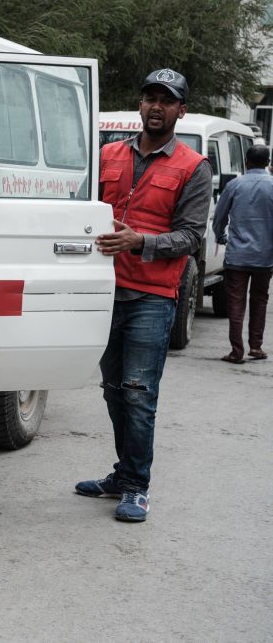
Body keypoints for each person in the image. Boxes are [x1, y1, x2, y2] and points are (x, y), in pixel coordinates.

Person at [76, 68, 212, 522]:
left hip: (152, 296)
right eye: (150, 98)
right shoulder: (108, 154)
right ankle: (122, 473)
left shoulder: (193, 167)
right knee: (113, 390)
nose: (156, 106)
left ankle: (137, 485)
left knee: (138, 391)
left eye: (166, 100)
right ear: (141, 105)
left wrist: (141, 242)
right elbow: (81, 211)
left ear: (180, 110)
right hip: (102, 290)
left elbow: (192, 237)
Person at [212, 143, 273, 363]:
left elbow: (220, 217)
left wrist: (220, 236)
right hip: (265, 258)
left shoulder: (235, 185)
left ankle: (236, 352)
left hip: (237, 256)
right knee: (260, 300)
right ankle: (255, 347)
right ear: (268, 163)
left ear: (246, 161)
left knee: (236, 304)